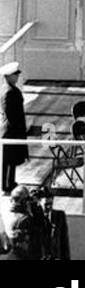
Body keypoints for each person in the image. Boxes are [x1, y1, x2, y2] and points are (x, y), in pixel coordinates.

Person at [1, 60, 28, 193]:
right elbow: (10, 114)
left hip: (12, 131)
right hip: (11, 132)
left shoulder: (8, 90)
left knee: (10, 161)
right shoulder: (9, 92)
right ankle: (7, 185)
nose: (17, 76)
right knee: (9, 161)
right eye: (15, 74)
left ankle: (9, 183)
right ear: (8, 76)